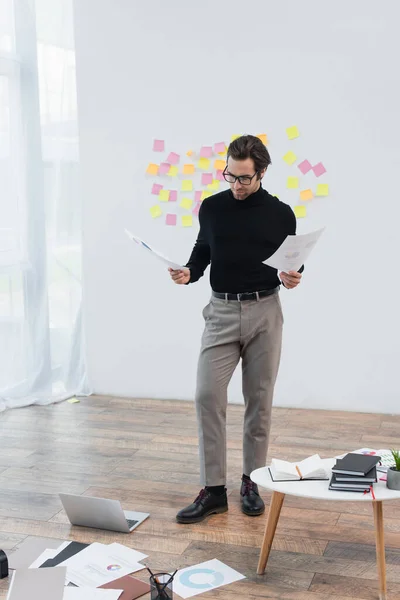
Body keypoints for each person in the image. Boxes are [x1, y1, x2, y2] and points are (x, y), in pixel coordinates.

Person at [169, 134, 302, 524]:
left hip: (265, 311)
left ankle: (251, 482)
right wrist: (189, 272)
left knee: (258, 401)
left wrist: (295, 275)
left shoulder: (281, 213)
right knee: (206, 395)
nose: (236, 185)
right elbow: (203, 250)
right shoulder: (211, 207)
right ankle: (213, 491)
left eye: (244, 178)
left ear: (261, 172)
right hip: (222, 311)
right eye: (230, 175)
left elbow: (292, 260)